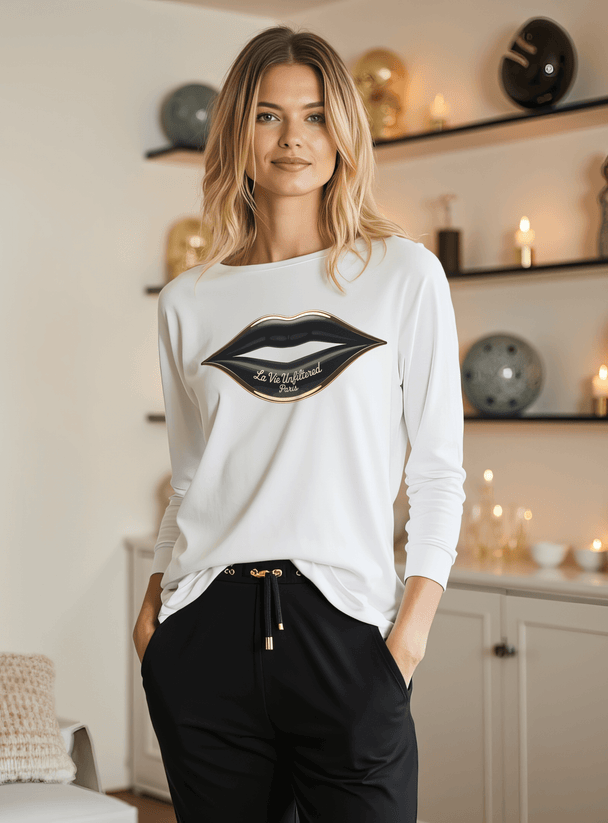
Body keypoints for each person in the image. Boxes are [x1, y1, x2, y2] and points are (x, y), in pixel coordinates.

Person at [133, 24, 466, 823]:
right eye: (268, 116)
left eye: (316, 115)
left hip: (347, 634)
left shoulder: (402, 276)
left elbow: (437, 472)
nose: (294, 139)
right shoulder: (189, 300)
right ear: (237, 134)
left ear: (344, 130)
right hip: (203, 634)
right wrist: (155, 611)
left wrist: (406, 641)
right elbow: (191, 476)